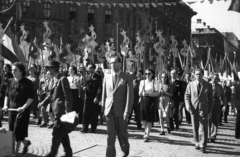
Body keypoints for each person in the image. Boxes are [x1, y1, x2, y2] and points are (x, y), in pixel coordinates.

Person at [101, 53, 133, 157]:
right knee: (110, 137)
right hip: (109, 111)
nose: (112, 65)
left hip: (121, 111)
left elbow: (130, 96)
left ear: (120, 64)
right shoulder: (107, 76)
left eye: (114, 63)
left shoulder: (127, 77)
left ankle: (125, 149)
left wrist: (127, 111)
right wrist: (103, 109)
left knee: (122, 134)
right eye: (111, 63)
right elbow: (104, 94)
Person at [3, 62, 34, 156]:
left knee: (18, 131)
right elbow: (7, 95)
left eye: (15, 70)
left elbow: (31, 97)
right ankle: (25, 143)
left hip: (22, 110)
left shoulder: (28, 82)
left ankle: (15, 151)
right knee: (12, 131)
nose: (13, 72)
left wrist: (23, 107)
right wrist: (5, 105)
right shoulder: (9, 81)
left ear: (21, 71)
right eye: (12, 70)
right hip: (12, 110)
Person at [42, 61, 73, 157]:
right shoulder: (55, 79)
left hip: (62, 112)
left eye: (50, 68)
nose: (48, 70)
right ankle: (68, 152)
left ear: (54, 68)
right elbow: (50, 95)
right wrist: (43, 103)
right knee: (62, 132)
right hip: (56, 111)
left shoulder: (62, 79)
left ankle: (53, 152)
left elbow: (68, 96)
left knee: (56, 132)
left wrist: (68, 112)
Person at [185, 68, 213, 153]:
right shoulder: (190, 84)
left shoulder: (208, 85)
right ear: (194, 75)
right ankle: (196, 142)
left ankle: (203, 145)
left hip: (204, 108)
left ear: (203, 75)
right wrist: (188, 106)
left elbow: (211, 99)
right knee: (195, 127)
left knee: (203, 127)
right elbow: (187, 96)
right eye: (196, 74)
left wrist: (210, 110)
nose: (198, 76)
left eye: (200, 74)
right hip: (193, 108)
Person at [81, 63, 102, 133]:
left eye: (90, 68)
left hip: (94, 97)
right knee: (85, 112)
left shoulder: (98, 77)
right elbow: (84, 85)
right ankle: (85, 127)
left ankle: (93, 127)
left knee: (94, 113)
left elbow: (100, 88)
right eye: (88, 68)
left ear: (93, 69)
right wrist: (83, 87)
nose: (88, 69)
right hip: (87, 97)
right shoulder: (86, 76)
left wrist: (97, 97)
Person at [139, 68, 159, 142]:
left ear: (152, 74)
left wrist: (148, 94)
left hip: (151, 101)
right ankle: (146, 130)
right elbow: (139, 93)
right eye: (146, 73)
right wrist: (141, 91)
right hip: (143, 101)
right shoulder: (142, 82)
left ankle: (147, 135)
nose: (147, 75)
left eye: (149, 73)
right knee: (143, 119)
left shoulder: (155, 82)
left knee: (149, 119)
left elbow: (157, 94)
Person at [208, 73, 226, 143]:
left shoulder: (220, 86)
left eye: (217, 79)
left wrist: (224, 105)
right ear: (211, 78)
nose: (215, 80)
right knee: (208, 120)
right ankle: (207, 135)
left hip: (217, 102)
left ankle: (213, 136)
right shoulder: (207, 85)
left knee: (216, 120)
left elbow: (223, 96)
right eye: (214, 79)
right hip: (209, 102)